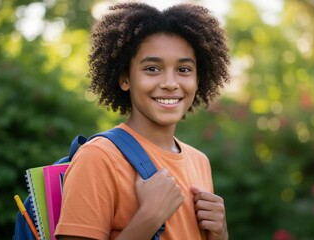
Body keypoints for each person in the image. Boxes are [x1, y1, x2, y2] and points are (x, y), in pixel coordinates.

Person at [55, 2, 230, 240]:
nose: (170, 83)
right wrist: (149, 217)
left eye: (184, 69)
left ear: (199, 78)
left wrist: (220, 233)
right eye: (152, 68)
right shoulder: (99, 158)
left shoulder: (199, 161)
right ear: (125, 78)